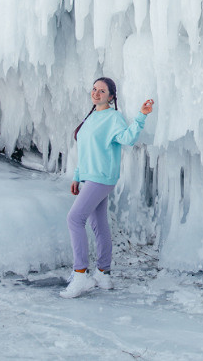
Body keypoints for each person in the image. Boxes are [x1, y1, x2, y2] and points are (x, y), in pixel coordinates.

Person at [61, 76, 154, 298]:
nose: (96, 93)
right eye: (94, 89)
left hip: (102, 178)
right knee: (98, 224)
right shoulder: (91, 117)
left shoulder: (113, 117)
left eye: (102, 91)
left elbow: (128, 138)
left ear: (111, 97)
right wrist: (77, 176)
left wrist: (141, 116)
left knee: (74, 219)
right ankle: (103, 273)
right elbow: (85, 152)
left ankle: (81, 274)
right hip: (90, 177)